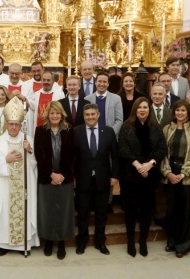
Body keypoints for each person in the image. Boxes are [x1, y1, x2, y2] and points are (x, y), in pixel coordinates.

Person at [0, 97, 39, 255]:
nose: (14, 127)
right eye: (11, 124)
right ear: (6, 125)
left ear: (21, 125)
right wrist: (5, 160)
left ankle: (25, 244)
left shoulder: (28, 139)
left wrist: (29, 151)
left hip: (23, 187)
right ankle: (3, 245)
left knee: (24, 213)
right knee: (3, 214)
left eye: (17, 124)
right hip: (5, 186)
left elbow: (35, 164)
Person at [117, 97, 167, 257]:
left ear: (149, 109)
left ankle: (143, 241)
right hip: (131, 174)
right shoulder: (126, 126)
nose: (142, 110)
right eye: (139, 107)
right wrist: (139, 165)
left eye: (145, 107)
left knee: (147, 210)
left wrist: (150, 164)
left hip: (150, 175)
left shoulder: (155, 127)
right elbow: (123, 148)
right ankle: (131, 242)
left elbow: (161, 148)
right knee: (131, 210)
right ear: (135, 110)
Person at [161, 100, 190, 258]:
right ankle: (172, 241)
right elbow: (163, 152)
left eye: (183, 111)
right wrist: (167, 172)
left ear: (188, 113)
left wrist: (183, 173)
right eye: (177, 110)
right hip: (170, 172)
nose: (180, 113)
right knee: (171, 209)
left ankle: (182, 245)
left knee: (185, 211)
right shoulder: (167, 129)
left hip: (187, 175)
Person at [74, 103, 119, 256]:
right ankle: (82, 241)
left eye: (93, 114)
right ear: (84, 116)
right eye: (87, 115)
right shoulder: (76, 132)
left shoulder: (108, 131)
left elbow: (115, 156)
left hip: (103, 180)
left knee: (101, 214)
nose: (90, 117)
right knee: (83, 214)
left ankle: (100, 242)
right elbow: (72, 156)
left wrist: (114, 176)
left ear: (98, 115)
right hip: (83, 180)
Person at [34, 101, 76, 260]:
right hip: (47, 179)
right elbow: (39, 156)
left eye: (57, 113)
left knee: (64, 211)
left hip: (65, 179)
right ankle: (49, 242)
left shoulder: (69, 130)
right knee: (48, 211)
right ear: (47, 115)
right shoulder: (40, 131)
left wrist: (62, 175)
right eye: (52, 113)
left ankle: (62, 243)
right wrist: (51, 175)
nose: (54, 116)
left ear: (62, 115)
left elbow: (72, 155)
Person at [26, 71, 65, 138]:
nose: (46, 82)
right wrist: (25, 100)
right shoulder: (37, 94)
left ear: (53, 81)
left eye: (48, 80)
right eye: (44, 80)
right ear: (41, 81)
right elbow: (33, 106)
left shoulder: (59, 94)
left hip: (55, 129)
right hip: (39, 127)